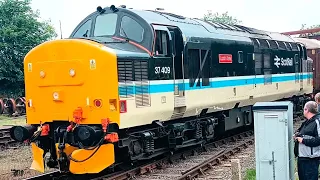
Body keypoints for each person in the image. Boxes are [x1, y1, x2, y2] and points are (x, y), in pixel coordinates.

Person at [294, 101, 320, 180]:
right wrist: (297, 135)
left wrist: (303, 140)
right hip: (302, 157)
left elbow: (318, 139)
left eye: (304, 109)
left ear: (307, 110)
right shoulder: (307, 122)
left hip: (311, 159)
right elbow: (304, 133)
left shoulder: (317, 122)